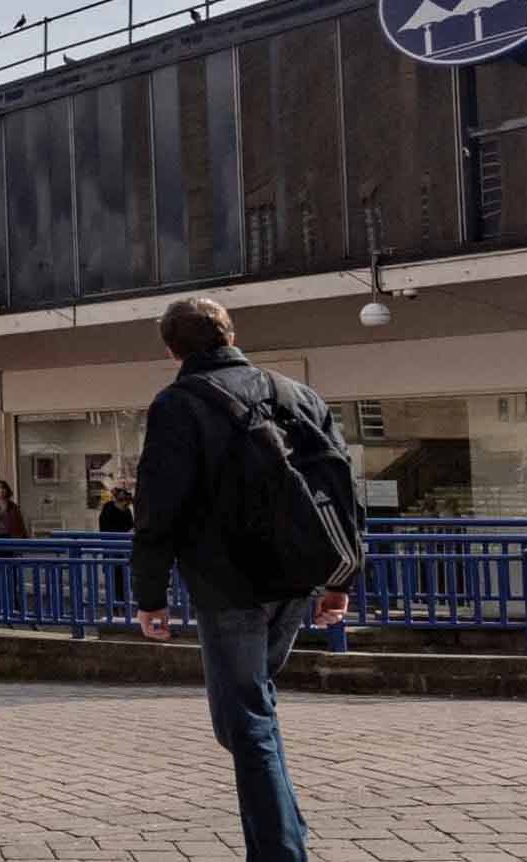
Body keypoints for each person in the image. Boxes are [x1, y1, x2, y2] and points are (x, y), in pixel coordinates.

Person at [130, 298, 348, 862]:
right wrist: (341, 578)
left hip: (228, 584)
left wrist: (150, 596)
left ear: (172, 349)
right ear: (231, 333)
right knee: (252, 710)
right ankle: (286, 831)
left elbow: (157, 505)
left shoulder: (177, 404)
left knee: (244, 720)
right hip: (296, 579)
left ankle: (280, 851)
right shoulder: (297, 395)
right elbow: (342, 489)